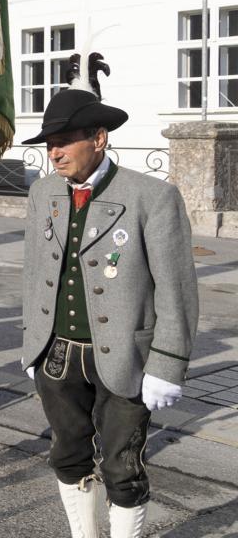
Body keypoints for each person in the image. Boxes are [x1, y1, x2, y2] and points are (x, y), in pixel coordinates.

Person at [20, 68, 198, 538]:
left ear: (99, 139)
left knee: (122, 465)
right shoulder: (43, 193)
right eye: (48, 144)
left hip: (126, 358)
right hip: (58, 353)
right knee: (67, 453)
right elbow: (36, 274)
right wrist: (32, 346)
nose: (53, 152)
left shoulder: (151, 196)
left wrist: (168, 364)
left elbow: (176, 290)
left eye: (63, 141)